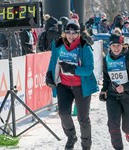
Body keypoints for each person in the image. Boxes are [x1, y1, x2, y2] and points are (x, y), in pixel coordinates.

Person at [45, 19, 99, 150]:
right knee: (63, 113)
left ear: (78, 34)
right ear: (64, 33)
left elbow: (89, 69)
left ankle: (86, 144)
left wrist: (74, 70)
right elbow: (53, 61)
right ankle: (71, 136)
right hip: (64, 85)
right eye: (68, 32)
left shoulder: (84, 47)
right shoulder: (58, 45)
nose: (71, 35)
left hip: (81, 86)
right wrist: (49, 74)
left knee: (83, 118)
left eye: (74, 33)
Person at [99, 28, 129, 150]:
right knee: (113, 125)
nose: (116, 48)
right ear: (110, 46)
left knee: (127, 128)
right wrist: (104, 90)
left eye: (118, 45)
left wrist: (125, 87)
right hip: (113, 96)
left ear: (123, 45)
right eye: (113, 45)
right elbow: (107, 78)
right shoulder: (106, 59)